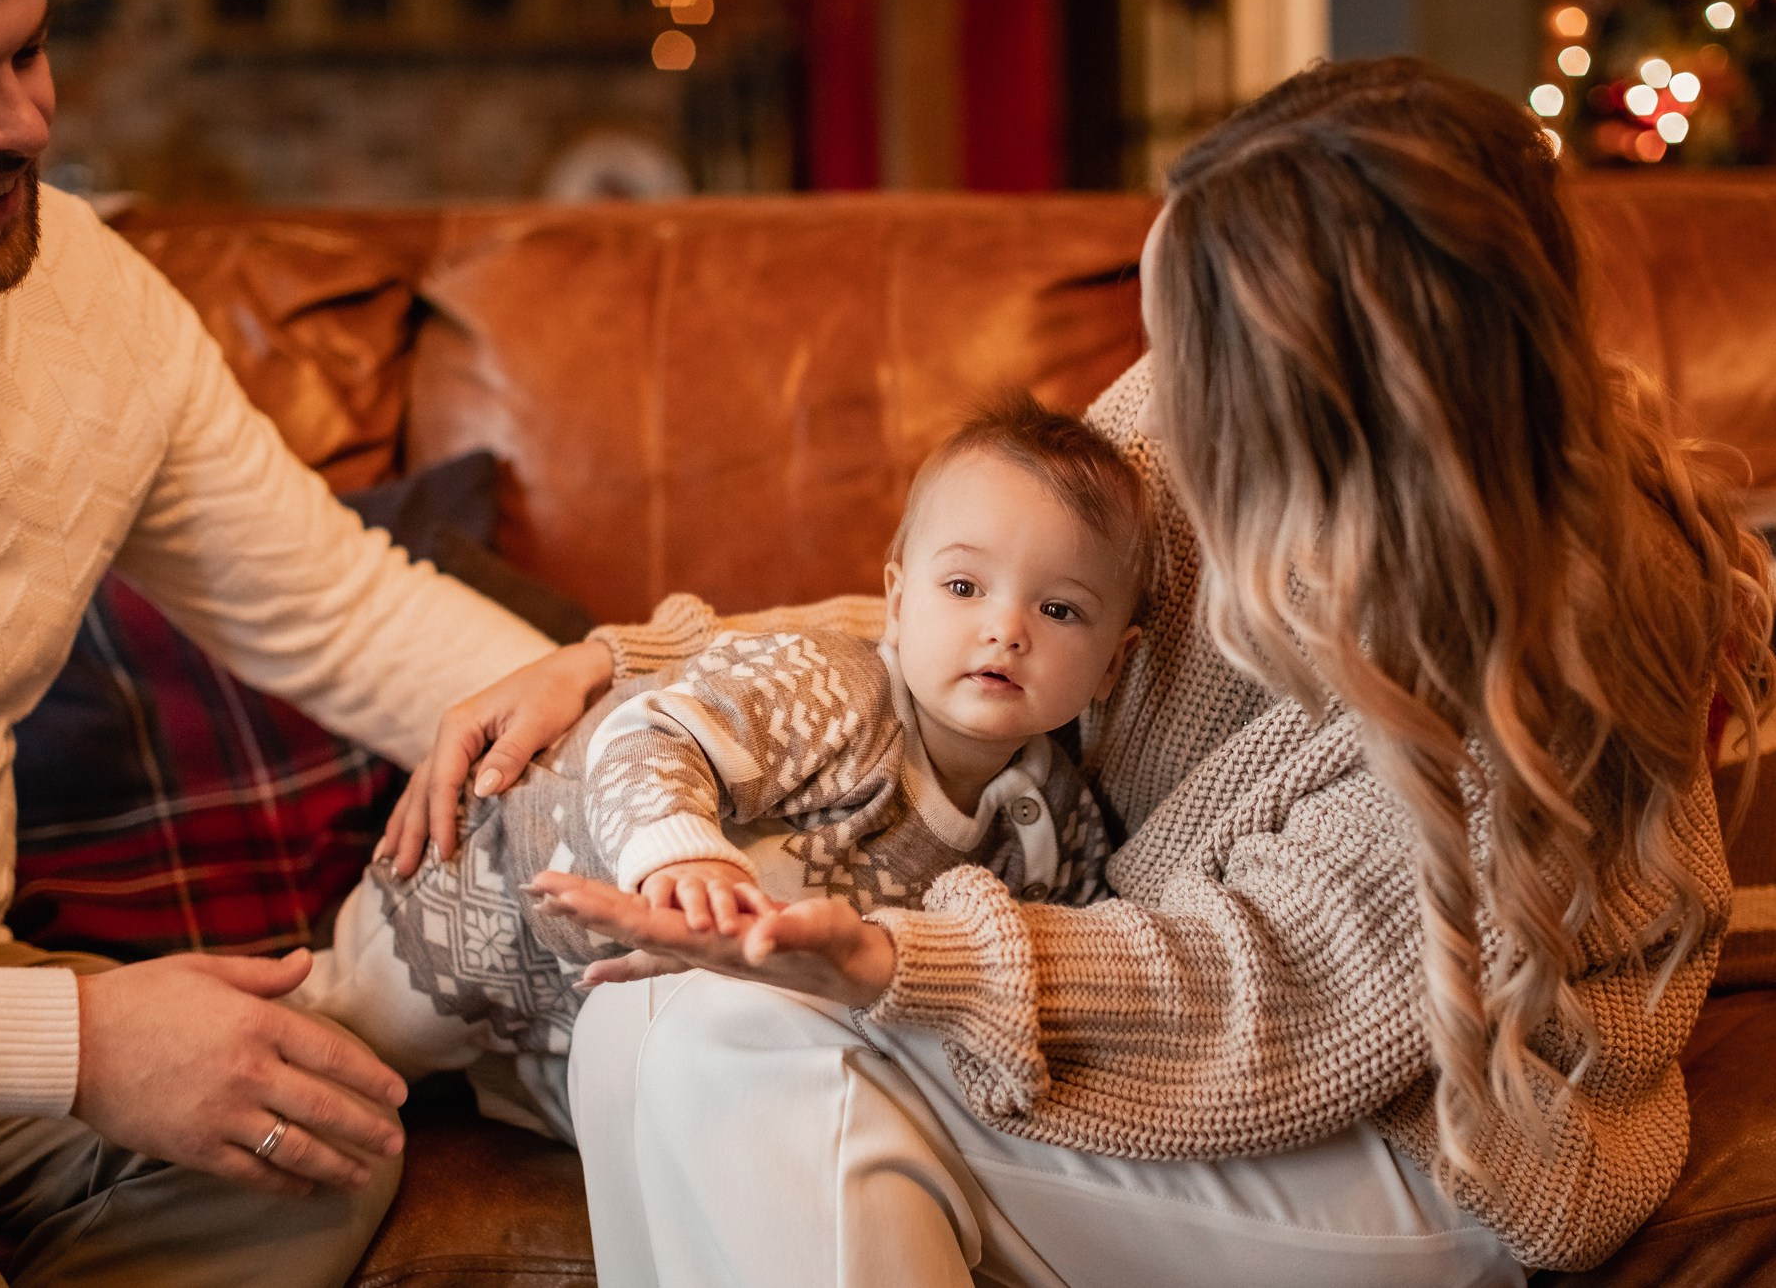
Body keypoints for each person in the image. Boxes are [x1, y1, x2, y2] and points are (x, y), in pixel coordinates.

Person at [501, 58, 1776, 1285]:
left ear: (1338, 375)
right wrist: (623, 655)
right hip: (1169, 983)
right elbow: (1002, 597)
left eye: (1194, 344)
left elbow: (1282, 991)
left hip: (1421, 1129)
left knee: (732, 1041)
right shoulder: (1199, 403)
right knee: (653, 1011)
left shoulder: (1542, 646)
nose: (1161, 384)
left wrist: (905, 965)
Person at [0, 0, 561, 1283]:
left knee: (314, 1151)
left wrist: (657, 736)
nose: (27, 120)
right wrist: (77, 1042)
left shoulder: (80, 297)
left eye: (29, 50)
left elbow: (342, 615)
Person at [295, 400, 1147, 1137]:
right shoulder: (832, 686)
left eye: (1059, 608)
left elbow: (1055, 951)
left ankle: (510, 1078)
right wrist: (684, 851)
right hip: (493, 885)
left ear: (1113, 665)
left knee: (641, 1098)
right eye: (964, 587)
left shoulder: (1060, 818)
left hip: (618, 987)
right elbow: (648, 733)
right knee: (338, 1057)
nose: (1006, 629)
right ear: (896, 600)